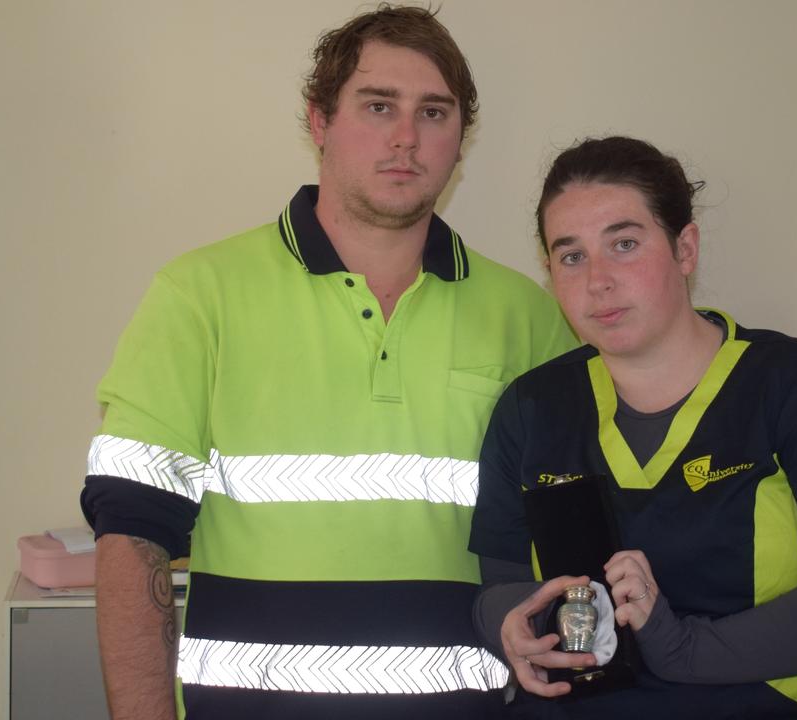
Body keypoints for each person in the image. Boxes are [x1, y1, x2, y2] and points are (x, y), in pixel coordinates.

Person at [79, 6, 575, 719]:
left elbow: (569, 540)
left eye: (433, 113)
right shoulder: (199, 296)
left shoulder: (527, 315)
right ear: (319, 121)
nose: (406, 137)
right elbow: (131, 539)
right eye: (379, 106)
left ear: (459, 140)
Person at [469, 136, 797, 718]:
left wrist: (682, 648)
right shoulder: (531, 408)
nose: (597, 280)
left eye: (624, 244)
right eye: (571, 255)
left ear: (685, 248)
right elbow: (498, 587)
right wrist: (508, 624)